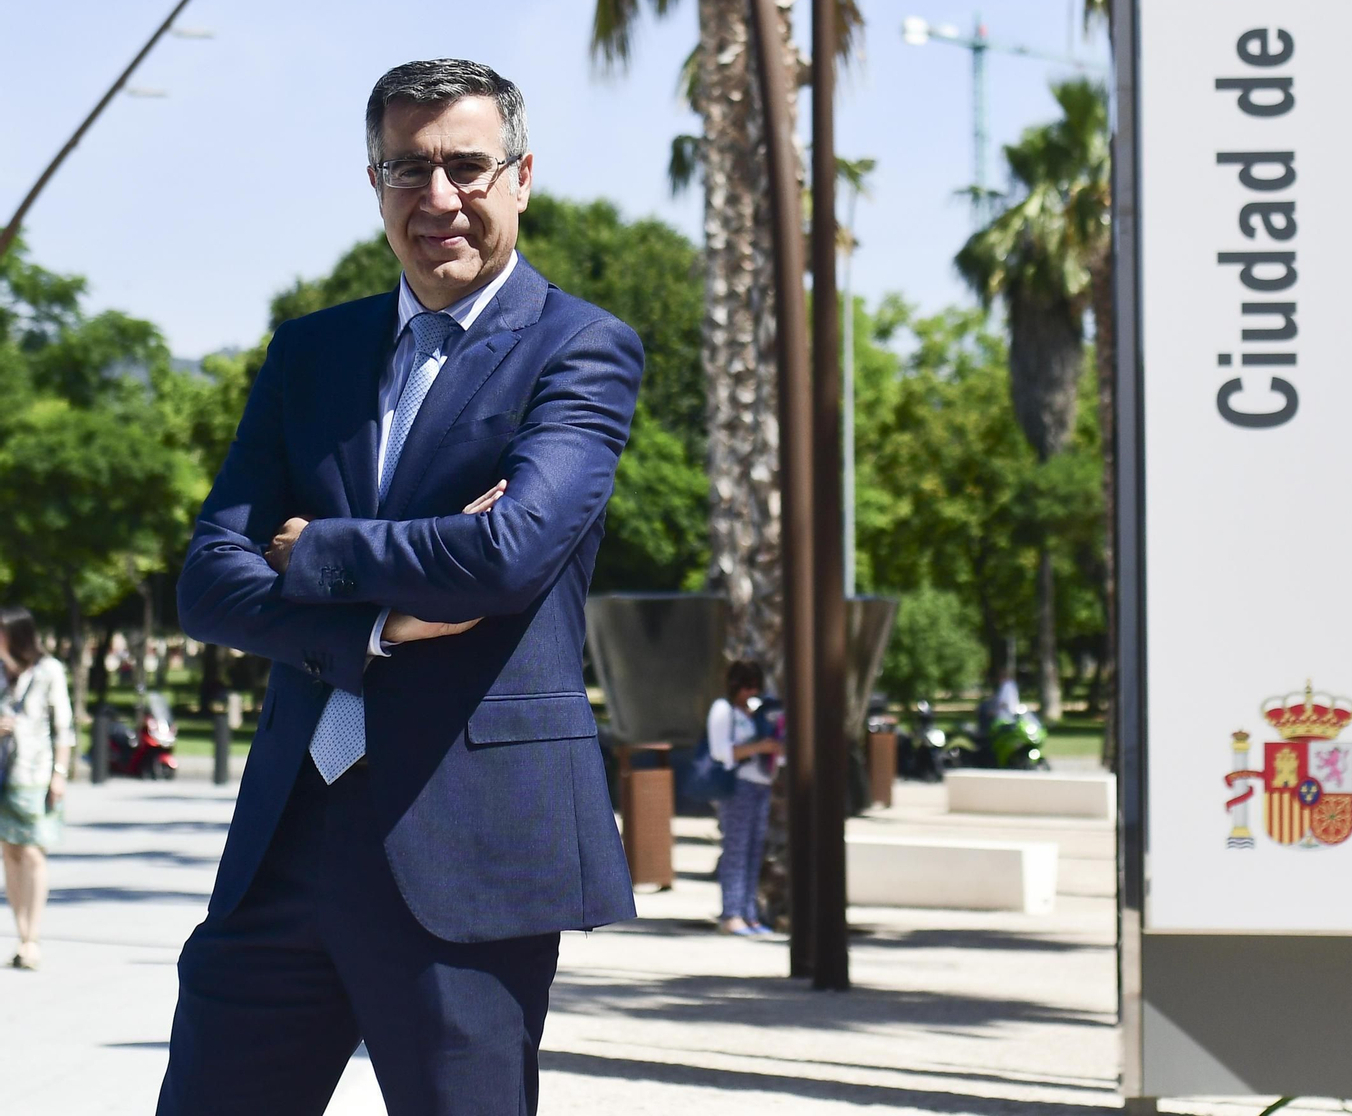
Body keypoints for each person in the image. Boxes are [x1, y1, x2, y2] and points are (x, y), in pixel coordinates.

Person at [157, 58, 644, 1116]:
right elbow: (206, 580)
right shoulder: (309, 353)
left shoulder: (582, 348)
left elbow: (508, 554)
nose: (438, 199)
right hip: (284, 848)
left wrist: (313, 547)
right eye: (406, 168)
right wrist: (372, 625)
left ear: (521, 175)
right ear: (372, 183)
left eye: (466, 166)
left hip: (468, 855)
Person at [0, 606, 74, 970]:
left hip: (34, 773)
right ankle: (21, 934)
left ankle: (33, 938)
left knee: (31, 852)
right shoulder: (1, 672)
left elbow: (64, 728)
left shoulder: (49, 671)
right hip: (3, 774)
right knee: (9, 853)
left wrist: (59, 773)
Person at [706, 659, 779, 936]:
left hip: (761, 784)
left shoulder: (757, 712)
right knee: (736, 850)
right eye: (747, 686)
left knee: (754, 851)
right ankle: (731, 913)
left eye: (755, 687)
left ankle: (749, 913)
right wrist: (758, 746)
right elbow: (721, 751)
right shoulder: (723, 710)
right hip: (736, 786)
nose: (751, 692)